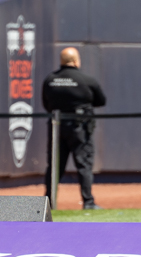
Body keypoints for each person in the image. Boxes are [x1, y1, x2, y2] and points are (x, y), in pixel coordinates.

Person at [41, 46, 105, 209]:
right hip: (80, 128)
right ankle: (88, 202)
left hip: (57, 127)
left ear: (62, 61)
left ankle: (48, 203)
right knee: (84, 164)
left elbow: (46, 104)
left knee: (55, 166)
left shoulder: (50, 80)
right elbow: (101, 100)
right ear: (76, 60)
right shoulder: (86, 80)